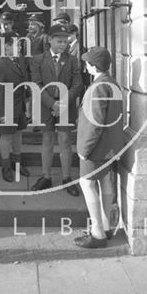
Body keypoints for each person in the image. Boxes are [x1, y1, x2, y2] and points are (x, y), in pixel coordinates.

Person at [74, 46, 124, 249]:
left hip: (96, 148)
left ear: (93, 66)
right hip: (110, 147)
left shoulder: (98, 87)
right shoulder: (112, 83)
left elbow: (95, 122)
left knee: (87, 185)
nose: (85, 66)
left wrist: (84, 149)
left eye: (87, 63)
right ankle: (106, 227)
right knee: (105, 185)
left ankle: (97, 233)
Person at [30, 24, 83, 196]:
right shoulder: (38, 59)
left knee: (65, 140)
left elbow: (77, 84)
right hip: (46, 107)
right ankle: (46, 176)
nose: (63, 45)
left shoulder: (72, 60)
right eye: (59, 41)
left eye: (65, 42)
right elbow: (36, 85)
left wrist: (63, 103)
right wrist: (52, 104)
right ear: (50, 40)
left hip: (65, 106)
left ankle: (67, 178)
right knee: (47, 140)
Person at [0, 31, 30, 182]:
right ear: (7, 46)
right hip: (7, 107)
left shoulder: (17, 61)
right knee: (6, 136)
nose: (20, 47)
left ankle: (17, 163)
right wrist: (2, 113)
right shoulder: (0, 64)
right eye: (17, 44)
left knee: (18, 134)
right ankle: (6, 167)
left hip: (19, 106)